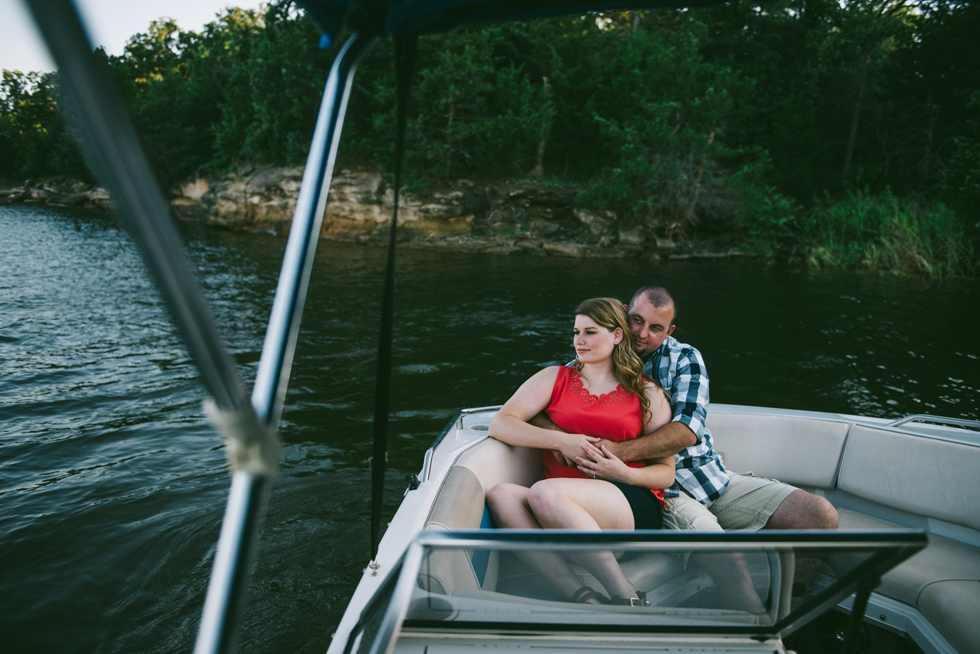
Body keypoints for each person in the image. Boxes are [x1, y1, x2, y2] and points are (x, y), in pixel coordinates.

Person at [486, 297, 674, 606]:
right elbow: (501, 424)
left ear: (616, 335)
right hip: (557, 509)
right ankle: (583, 596)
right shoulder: (553, 378)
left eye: (590, 332)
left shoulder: (647, 393)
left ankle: (627, 598)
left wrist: (623, 472)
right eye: (576, 332)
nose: (579, 341)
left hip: (625, 505)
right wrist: (561, 441)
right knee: (501, 495)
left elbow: (666, 473)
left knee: (544, 493)